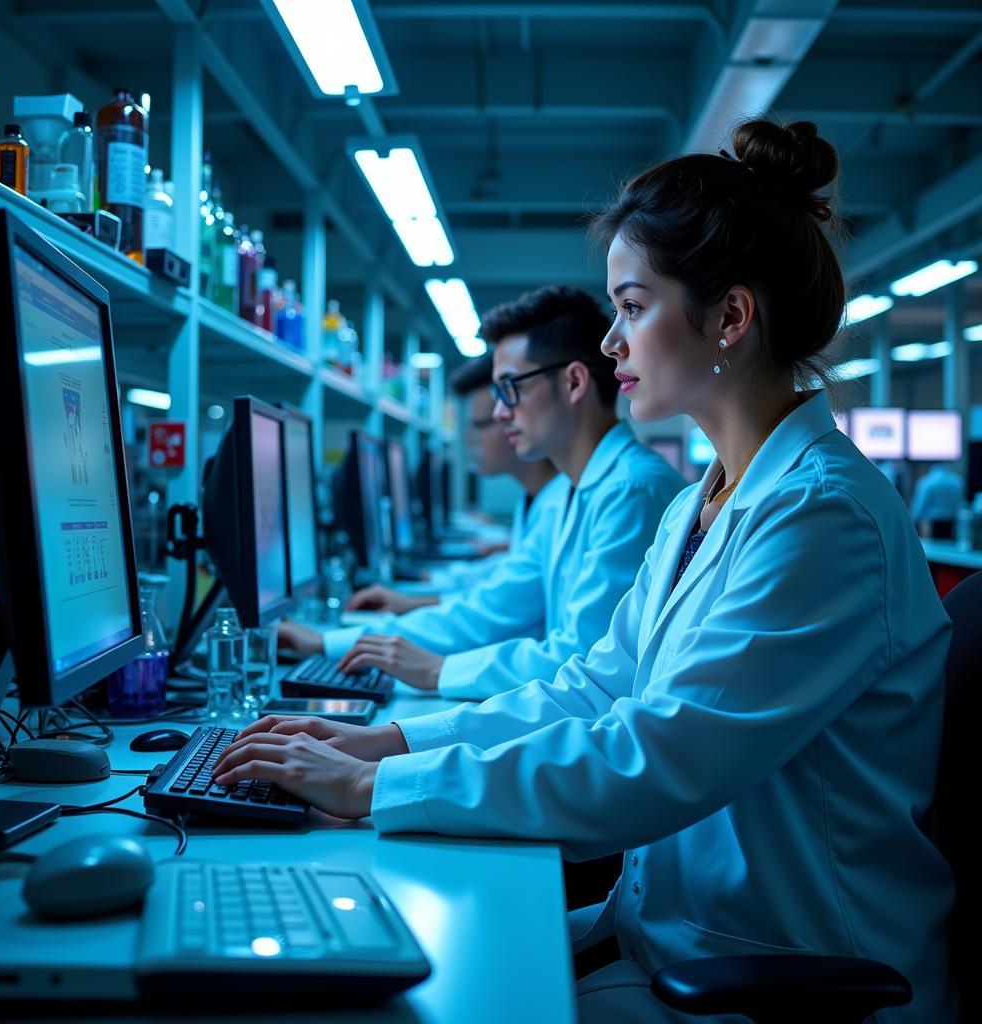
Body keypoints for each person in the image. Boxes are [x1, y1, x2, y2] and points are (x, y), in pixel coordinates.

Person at [218, 120, 955, 1021]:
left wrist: (377, 788)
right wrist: (392, 744)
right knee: (382, 960)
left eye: (635, 307)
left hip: (783, 977)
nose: (610, 344)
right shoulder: (702, 503)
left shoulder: (823, 515)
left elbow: (658, 755)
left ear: (730, 316)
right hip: (676, 936)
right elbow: (594, 686)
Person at [279, 285, 685, 700]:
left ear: (574, 382)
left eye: (510, 388)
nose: (498, 413)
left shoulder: (633, 491)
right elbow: (491, 609)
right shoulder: (573, 490)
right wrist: (332, 645)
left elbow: (585, 665)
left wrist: (438, 671)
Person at [353, 350, 561, 615]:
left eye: (481, 425)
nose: (469, 440)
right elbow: (503, 588)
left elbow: (499, 606)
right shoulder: (537, 500)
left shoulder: (562, 501)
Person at [909, 462, 965, 532]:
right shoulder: (956, 481)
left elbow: (919, 505)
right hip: (952, 522)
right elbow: (959, 504)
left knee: (931, 543)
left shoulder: (926, 482)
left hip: (931, 523)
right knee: (949, 543)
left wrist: (912, 521)